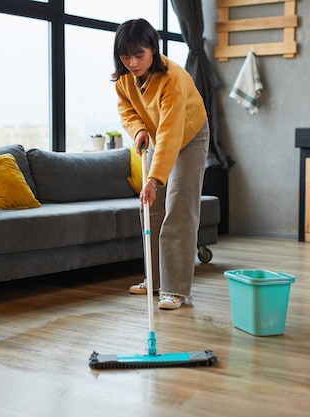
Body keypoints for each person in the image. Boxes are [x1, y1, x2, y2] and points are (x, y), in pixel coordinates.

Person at [111, 18, 209, 310]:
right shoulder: (124, 79)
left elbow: (170, 134)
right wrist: (138, 130)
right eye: (125, 56)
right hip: (156, 135)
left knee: (179, 207)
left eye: (138, 54)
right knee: (150, 209)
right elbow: (126, 110)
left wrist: (153, 180)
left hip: (189, 135)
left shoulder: (173, 79)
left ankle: (175, 289)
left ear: (153, 49)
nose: (132, 62)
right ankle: (154, 279)